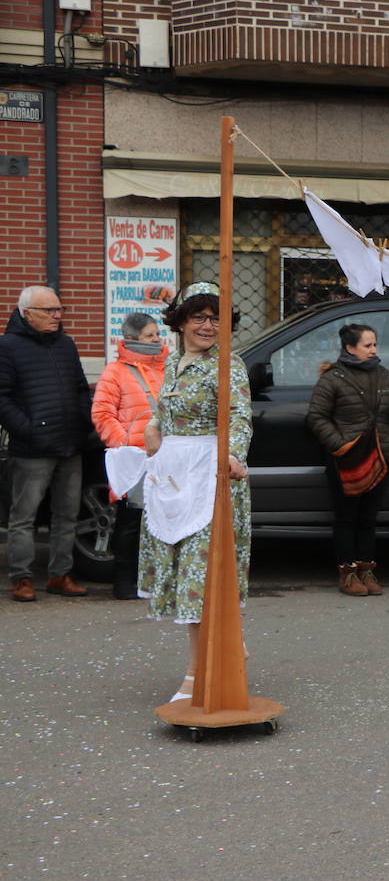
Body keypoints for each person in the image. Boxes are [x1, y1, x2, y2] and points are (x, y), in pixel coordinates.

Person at [139, 282, 252, 704]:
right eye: (199, 317)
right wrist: (152, 427)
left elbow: (240, 416)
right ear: (182, 321)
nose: (208, 326)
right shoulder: (173, 362)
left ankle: (196, 672)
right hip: (175, 477)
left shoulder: (228, 363)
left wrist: (235, 456)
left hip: (212, 477)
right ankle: (222, 653)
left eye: (217, 318)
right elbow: (163, 409)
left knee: (200, 578)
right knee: (188, 574)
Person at [0, 285, 93, 603]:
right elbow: (2, 398)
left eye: (59, 309)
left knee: (67, 515)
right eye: (49, 311)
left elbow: (81, 388)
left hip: (69, 444)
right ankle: (21, 578)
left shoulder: (66, 344)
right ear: (27, 313)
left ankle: (59, 575)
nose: (57, 316)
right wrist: (28, 430)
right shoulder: (7, 347)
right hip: (32, 449)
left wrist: (83, 422)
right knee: (23, 516)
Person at [306, 323, 389, 596]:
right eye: (368, 345)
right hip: (346, 460)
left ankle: (366, 569)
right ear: (350, 348)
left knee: (368, 518)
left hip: (378, 459)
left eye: (375, 344)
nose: (374, 349)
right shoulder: (333, 378)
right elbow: (317, 417)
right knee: (346, 518)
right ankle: (347, 573)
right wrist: (342, 446)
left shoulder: (383, 375)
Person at [91, 311, 168, 600]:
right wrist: (124, 443)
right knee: (130, 522)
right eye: (150, 336)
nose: (157, 340)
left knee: (163, 518)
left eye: (158, 335)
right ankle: (124, 584)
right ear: (132, 338)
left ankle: (155, 582)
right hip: (135, 458)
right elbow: (102, 413)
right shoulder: (116, 371)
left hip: (165, 455)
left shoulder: (166, 367)